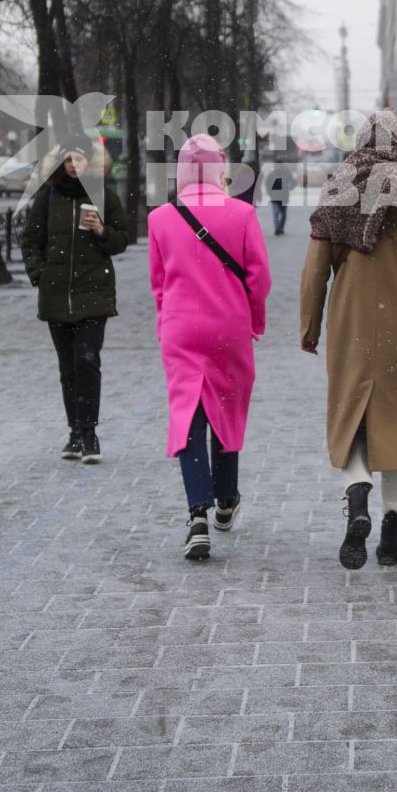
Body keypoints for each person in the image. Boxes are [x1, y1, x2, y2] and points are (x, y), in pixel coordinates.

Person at [300, 110, 397, 570]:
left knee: (351, 411)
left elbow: (313, 275)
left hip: (350, 324)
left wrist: (310, 328)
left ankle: (357, 493)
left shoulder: (337, 191)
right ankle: (391, 536)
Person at [149, 135, 271, 561]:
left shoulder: (162, 218)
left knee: (188, 417)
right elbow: (258, 278)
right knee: (227, 410)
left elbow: (159, 283)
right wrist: (254, 320)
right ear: (220, 168)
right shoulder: (241, 213)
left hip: (181, 328)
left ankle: (196, 515)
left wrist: (168, 323)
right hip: (228, 328)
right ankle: (226, 498)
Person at [21, 138, 130, 463]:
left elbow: (121, 240)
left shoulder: (104, 197)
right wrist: (40, 273)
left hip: (93, 294)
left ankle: (89, 433)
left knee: (87, 362)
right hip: (56, 295)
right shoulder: (47, 198)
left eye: (79, 159)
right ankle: (73, 431)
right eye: (67, 159)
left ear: (91, 163)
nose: (73, 165)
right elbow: (30, 239)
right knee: (68, 368)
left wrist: (101, 231)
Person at [262, 157, 292, 236]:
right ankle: (277, 229)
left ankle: (281, 228)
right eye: (276, 165)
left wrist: (289, 187)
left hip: (284, 197)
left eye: (279, 165)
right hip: (274, 197)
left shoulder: (286, 173)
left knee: (283, 215)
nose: (277, 166)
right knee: (276, 213)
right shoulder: (271, 175)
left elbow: (292, 181)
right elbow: (267, 184)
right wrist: (269, 193)